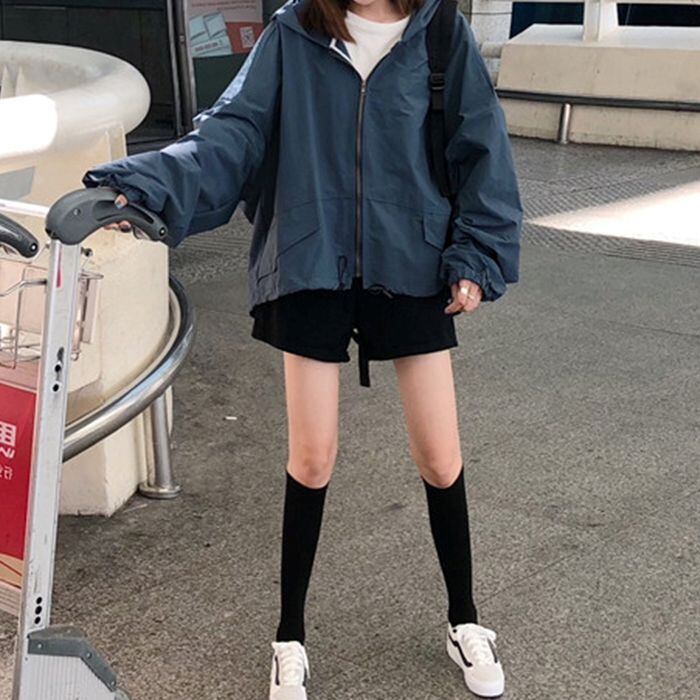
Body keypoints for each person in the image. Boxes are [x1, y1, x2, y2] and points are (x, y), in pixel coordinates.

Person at [83, 0, 523, 697]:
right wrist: (145, 182)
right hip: (310, 257)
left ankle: (465, 619)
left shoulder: (441, 31)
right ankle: (289, 636)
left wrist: (476, 255)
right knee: (312, 459)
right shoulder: (294, 32)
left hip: (413, 260)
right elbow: (232, 131)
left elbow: (482, 146)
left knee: (441, 458)